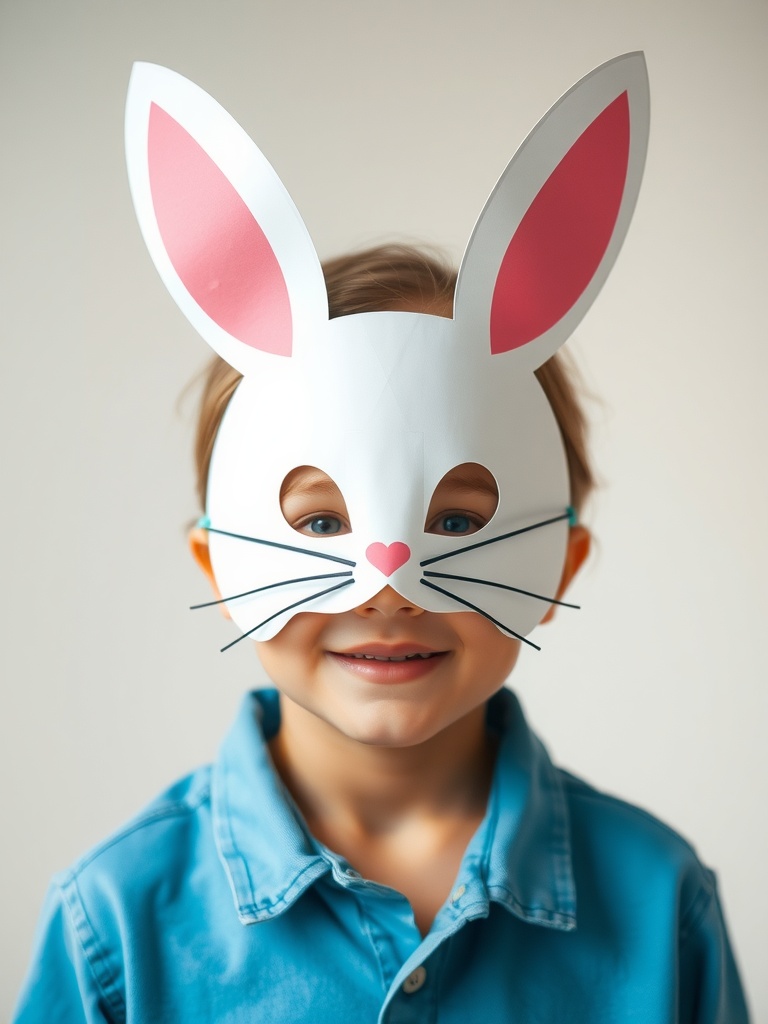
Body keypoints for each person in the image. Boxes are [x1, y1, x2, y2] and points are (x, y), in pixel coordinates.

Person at [15, 56, 750, 1021]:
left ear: (561, 560)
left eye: (458, 520)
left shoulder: (662, 905)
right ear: (217, 566)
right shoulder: (112, 925)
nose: (387, 576)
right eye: (319, 522)